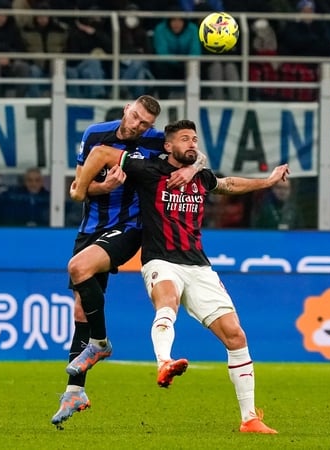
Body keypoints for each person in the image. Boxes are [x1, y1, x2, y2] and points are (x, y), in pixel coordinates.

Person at [68, 119, 284, 434]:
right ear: (168, 146)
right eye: (185, 139)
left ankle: (249, 418)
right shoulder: (148, 170)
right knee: (167, 304)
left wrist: (267, 181)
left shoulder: (200, 176)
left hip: (199, 266)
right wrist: (80, 186)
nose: (192, 143)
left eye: (194, 139)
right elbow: (102, 151)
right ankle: (164, 362)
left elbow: (228, 185)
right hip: (161, 260)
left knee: (236, 335)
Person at [50, 95, 204, 429]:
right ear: (126, 110)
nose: (137, 126)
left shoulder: (153, 141)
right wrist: (104, 186)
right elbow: (77, 190)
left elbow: (192, 153)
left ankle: (100, 344)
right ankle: (75, 390)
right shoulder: (96, 135)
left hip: (130, 226)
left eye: (145, 123)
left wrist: (192, 166)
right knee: (80, 308)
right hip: (91, 226)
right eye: (135, 117)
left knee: (80, 269)